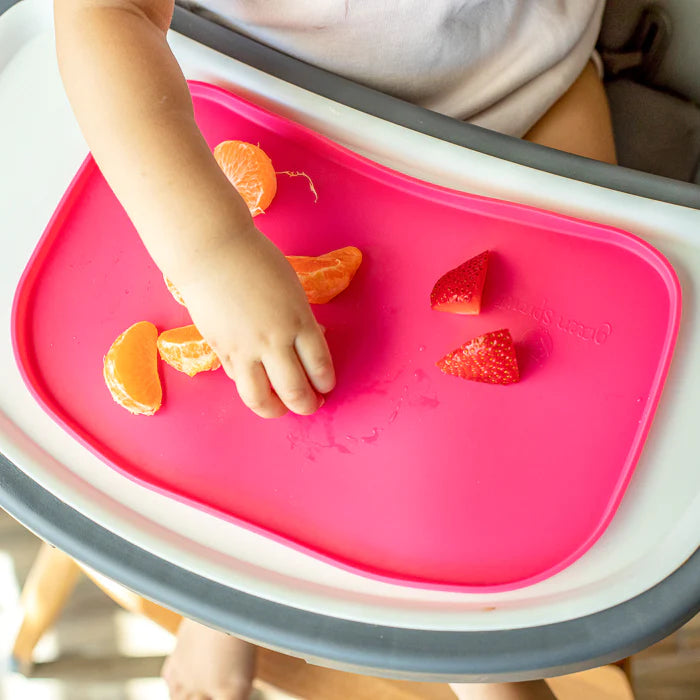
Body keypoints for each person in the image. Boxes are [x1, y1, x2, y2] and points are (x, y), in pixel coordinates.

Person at [54, 2, 615, 698]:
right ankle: (236, 588)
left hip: (524, 89)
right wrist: (210, 249)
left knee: (538, 409)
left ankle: (482, 654)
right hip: (273, 103)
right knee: (274, 393)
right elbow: (102, 15)